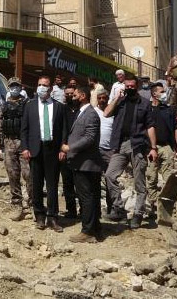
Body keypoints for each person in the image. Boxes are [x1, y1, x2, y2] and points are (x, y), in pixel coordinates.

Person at [103, 74, 157, 229]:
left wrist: (153, 148)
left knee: (139, 183)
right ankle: (119, 209)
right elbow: (106, 113)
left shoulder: (145, 104)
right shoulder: (120, 103)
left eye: (132, 86)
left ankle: (138, 215)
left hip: (137, 144)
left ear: (137, 86)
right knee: (109, 175)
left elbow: (150, 126)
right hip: (120, 144)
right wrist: (116, 98)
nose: (130, 88)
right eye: (127, 86)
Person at [20, 76, 68, 232]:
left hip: (52, 150)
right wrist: (25, 148)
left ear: (51, 89)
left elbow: (64, 130)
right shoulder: (30, 106)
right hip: (35, 148)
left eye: (45, 85)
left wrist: (62, 148)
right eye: (39, 84)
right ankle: (39, 216)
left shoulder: (59, 107)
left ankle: (53, 217)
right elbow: (24, 129)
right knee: (36, 185)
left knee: (52, 185)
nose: (41, 87)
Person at [63, 86, 103, 243]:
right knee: (89, 196)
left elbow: (89, 138)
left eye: (76, 94)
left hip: (86, 163)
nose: (73, 96)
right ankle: (94, 228)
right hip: (81, 162)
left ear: (83, 96)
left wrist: (70, 147)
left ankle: (87, 231)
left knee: (86, 197)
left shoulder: (91, 114)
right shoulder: (82, 112)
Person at [0, 77, 32, 221]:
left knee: (29, 175)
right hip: (9, 143)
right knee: (13, 175)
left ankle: (33, 205)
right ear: (9, 88)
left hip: (24, 143)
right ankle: (17, 206)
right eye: (12, 86)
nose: (14, 88)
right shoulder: (3, 106)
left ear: (21, 87)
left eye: (17, 86)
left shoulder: (28, 104)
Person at [146, 82, 177, 221]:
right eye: (162, 91)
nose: (165, 94)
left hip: (166, 147)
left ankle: (169, 206)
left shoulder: (169, 110)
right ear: (154, 94)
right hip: (150, 148)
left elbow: (176, 128)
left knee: (169, 178)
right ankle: (153, 207)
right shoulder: (146, 109)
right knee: (151, 178)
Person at [93, 88, 118, 215]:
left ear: (108, 98)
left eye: (104, 98)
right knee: (95, 181)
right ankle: (95, 209)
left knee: (110, 179)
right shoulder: (93, 112)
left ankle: (112, 208)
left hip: (110, 151)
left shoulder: (113, 112)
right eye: (100, 98)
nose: (102, 100)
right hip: (96, 150)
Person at [60, 84, 78, 219]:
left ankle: (84, 209)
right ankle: (71, 210)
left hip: (80, 150)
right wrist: (62, 147)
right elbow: (60, 130)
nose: (70, 96)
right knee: (67, 182)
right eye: (67, 94)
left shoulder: (81, 110)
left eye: (72, 93)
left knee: (81, 183)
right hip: (65, 149)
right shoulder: (61, 109)